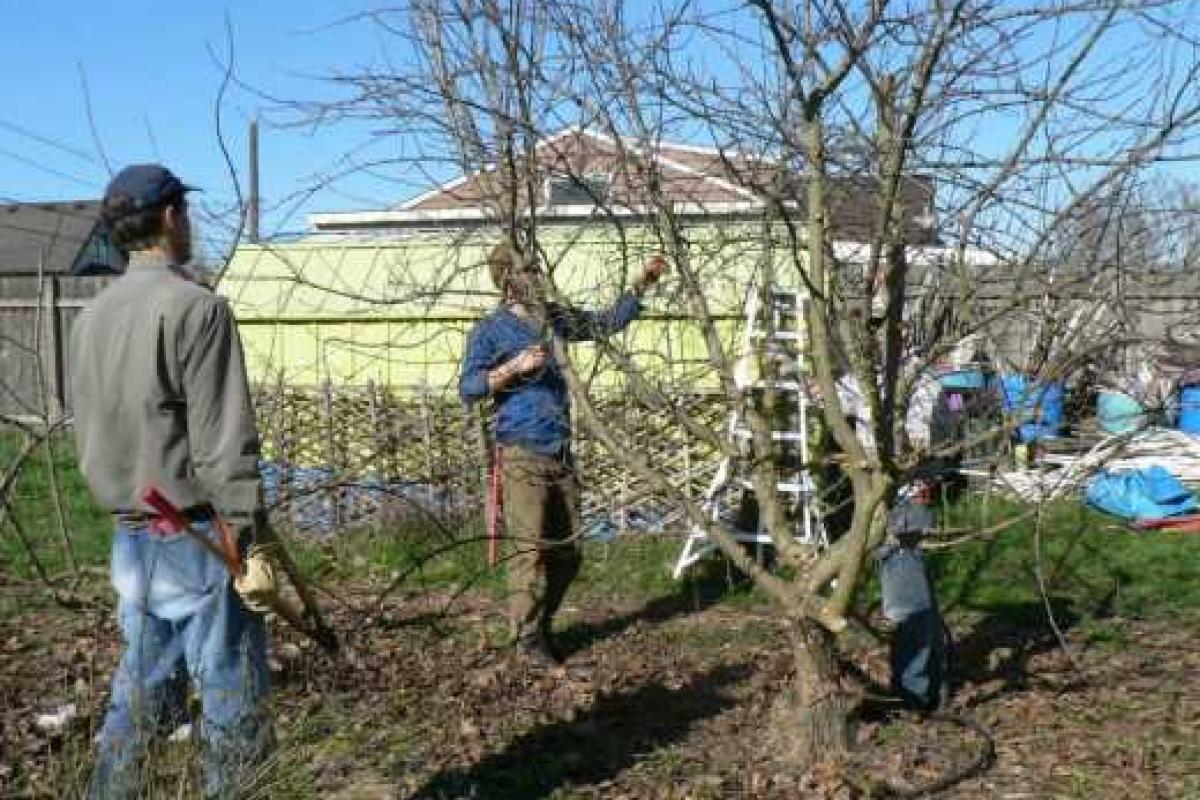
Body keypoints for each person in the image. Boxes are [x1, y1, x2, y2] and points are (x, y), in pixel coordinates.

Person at [70, 164, 275, 798]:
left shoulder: (89, 318)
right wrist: (251, 539)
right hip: (198, 538)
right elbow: (222, 440)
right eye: (185, 212)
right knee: (231, 700)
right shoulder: (199, 309)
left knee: (141, 691)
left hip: (129, 537)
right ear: (169, 217)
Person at [459, 241, 666, 665]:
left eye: (536, 267)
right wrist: (513, 368)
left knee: (569, 552)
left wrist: (640, 287)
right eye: (526, 269)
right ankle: (527, 640)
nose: (535, 274)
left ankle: (541, 626)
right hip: (521, 452)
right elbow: (469, 387)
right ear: (506, 279)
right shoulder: (491, 330)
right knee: (529, 551)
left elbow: (602, 323)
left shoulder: (552, 318)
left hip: (559, 449)